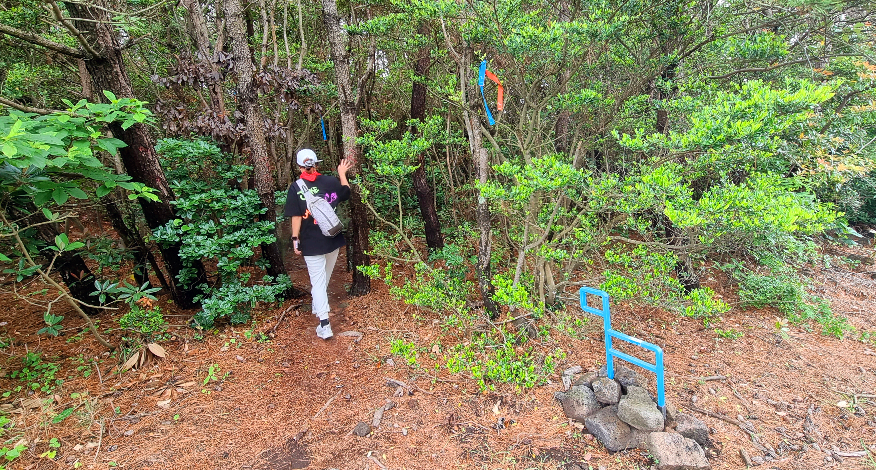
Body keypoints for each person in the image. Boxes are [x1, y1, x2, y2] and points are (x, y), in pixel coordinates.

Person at [284, 148, 353, 339]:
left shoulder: (296, 187)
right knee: (323, 279)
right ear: (316, 164)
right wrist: (341, 174)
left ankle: (324, 324)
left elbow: (296, 216)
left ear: (299, 166)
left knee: (318, 282)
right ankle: (320, 307)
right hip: (332, 237)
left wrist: (295, 239)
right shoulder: (331, 181)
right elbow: (346, 193)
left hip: (311, 242)